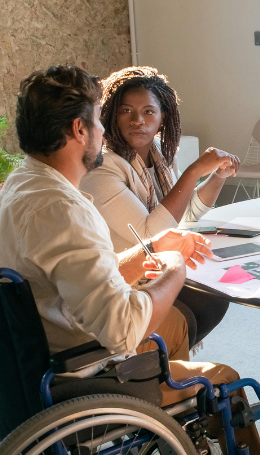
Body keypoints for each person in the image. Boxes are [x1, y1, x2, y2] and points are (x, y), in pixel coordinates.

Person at [0, 64, 235, 404]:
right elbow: (122, 330)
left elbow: (85, 267)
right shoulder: (65, 209)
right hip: (84, 373)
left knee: (191, 313)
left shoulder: (20, 185)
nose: (103, 130)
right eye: (99, 120)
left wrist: (151, 249)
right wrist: (174, 266)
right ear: (78, 130)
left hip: (31, 358)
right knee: (228, 380)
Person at [80, 67, 241, 346]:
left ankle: (165, 361)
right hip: (123, 283)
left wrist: (217, 176)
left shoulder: (159, 154)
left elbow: (183, 214)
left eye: (148, 112)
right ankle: (151, 359)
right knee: (203, 299)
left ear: (163, 116)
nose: (137, 121)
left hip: (153, 269)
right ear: (112, 114)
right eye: (126, 111)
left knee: (215, 293)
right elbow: (149, 235)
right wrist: (193, 172)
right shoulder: (103, 168)